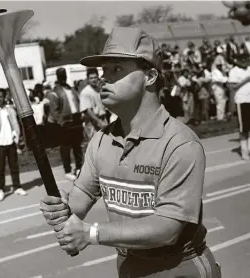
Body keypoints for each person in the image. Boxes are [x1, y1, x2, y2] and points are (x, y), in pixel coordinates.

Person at [40, 27, 221, 278]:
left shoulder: (180, 144)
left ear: (150, 76)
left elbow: (167, 228)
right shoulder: (101, 140)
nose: (105, 79)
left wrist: (91, 234)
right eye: (105, 72)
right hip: (129, 265)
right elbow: (80, 197)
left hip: (179, 267)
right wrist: (62, 208)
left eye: (117, 70)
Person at [0, 88, 27, 202]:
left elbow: (17, 124)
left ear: (4, 97)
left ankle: (17, 186)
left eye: (0, 96)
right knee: (0, 169)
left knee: (14, 166)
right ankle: (1, 189)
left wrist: (19, 139)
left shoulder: (11, 109)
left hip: (11, 143)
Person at [48, 68, 84, 181]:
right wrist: (61, 122)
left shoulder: (70, 88)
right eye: (60, 76)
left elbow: (77, 101)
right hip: (65, 122)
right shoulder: (55, 92)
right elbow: (54, 110)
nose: (63, 78)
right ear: (57, 77)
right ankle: (67, 170)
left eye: (64, 75)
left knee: (77, 146)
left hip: (76, 119)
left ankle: (79, 167)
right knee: (65, 147)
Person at [80, 67, 108, 141]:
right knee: (95, 146)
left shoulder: (99, 90)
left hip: (103, 119)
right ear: (88, 79)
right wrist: (99, 122)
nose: (94, 80)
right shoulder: (85, 92)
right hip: (92, 122)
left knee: (105, 144)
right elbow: (87, 110)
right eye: (91, 78)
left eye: (95, 77)